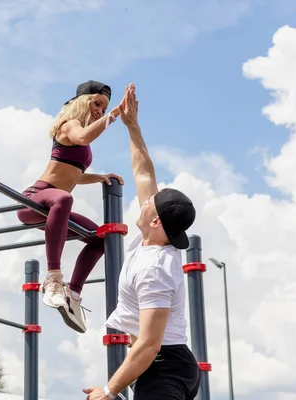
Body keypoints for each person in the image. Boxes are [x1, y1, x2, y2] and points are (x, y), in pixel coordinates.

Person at [82, 83, 201, 400]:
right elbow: (144, 172)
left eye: (150, 203)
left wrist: (109, 391)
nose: (144, 201)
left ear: (156, 220)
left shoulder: (155, 269)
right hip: (161, 365)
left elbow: (149, 343)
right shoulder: (152, 238)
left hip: (164, 366)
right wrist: (132, 126)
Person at [17, 80, 125, 334]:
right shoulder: (69, 126)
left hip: (54, 206)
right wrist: (116, 114)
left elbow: (72, 173)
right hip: (36, 199)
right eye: (97, 103)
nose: (100, 110)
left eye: (104, 107)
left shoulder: (82, 140)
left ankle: (73, 294)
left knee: (102, 238)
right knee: (64, 199)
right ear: (82, 101)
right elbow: (84, 135)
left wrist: (98, 177)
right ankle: (53, 278)